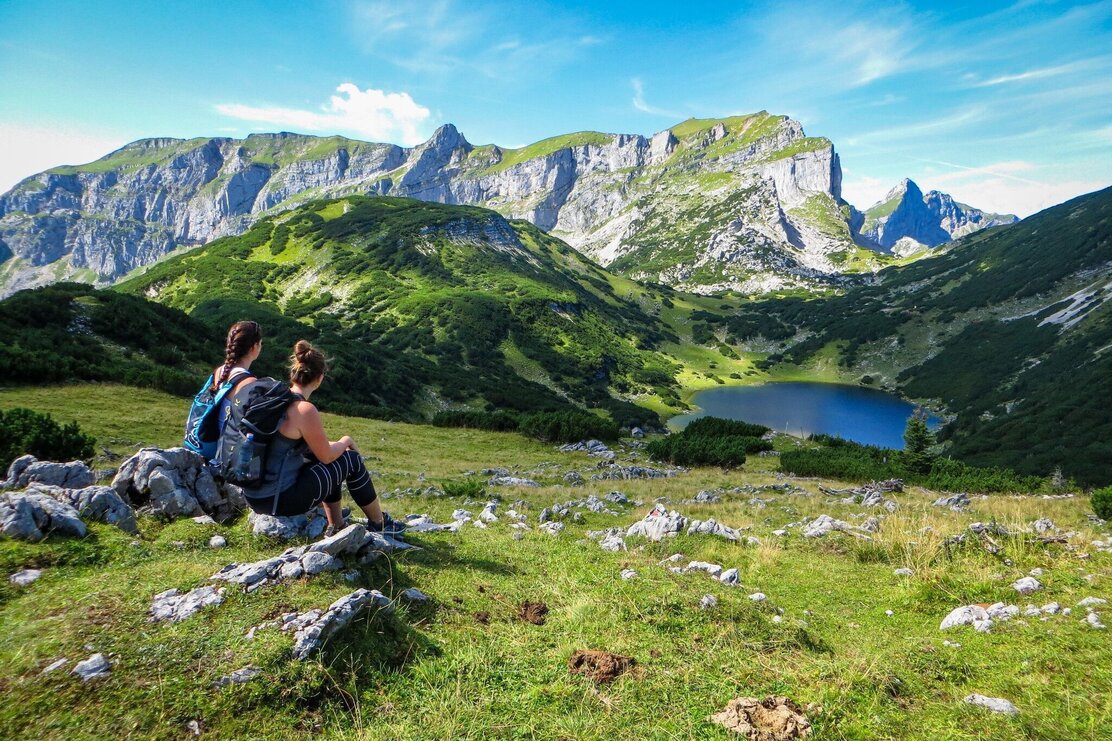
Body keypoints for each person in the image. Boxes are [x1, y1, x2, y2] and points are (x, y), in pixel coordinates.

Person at [238, 340, 406, 537]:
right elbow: (326, 456)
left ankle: (337, 525)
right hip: (278, 500)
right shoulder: (303, 410)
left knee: (329, 459)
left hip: (254, 495)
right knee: (350, 460)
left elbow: (317, 452)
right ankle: (379, 523)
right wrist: (346, 441)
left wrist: (337, 447)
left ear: (293, 373)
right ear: (319, 378)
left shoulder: (275, 400)